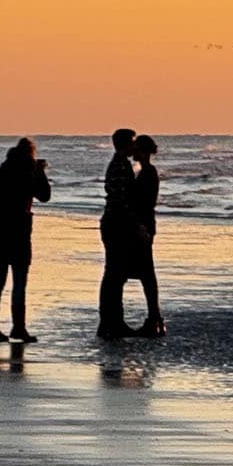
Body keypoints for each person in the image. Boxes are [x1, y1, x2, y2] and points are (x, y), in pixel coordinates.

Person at [0, 138, 51, 341]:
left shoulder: (2, 171)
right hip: (18, 231)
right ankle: (18, 327)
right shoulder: (26, 173)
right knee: (19, 282)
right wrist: (40, 172)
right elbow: (45, 195)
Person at [96, 128, 138, 340]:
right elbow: (122, 199)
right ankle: (111, 322)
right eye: (132, 142)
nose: (134, 146)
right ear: (125, 144)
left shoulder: (118, 164)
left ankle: (111, 321)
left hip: (113, 222)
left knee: (114, 274)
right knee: (115, 274)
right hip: (116, 224)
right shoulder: (121, 166)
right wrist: (133, 223)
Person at [128, 134, 167, 337]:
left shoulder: (148, 173)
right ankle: (155, 317)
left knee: (147, 273)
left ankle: (155, 318)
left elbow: (144, 203)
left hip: (143, 226)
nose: (133, 152)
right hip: (145, 224)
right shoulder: (146, 171)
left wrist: (140, 226)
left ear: (143, 151)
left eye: (136, 148)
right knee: (146, 273)